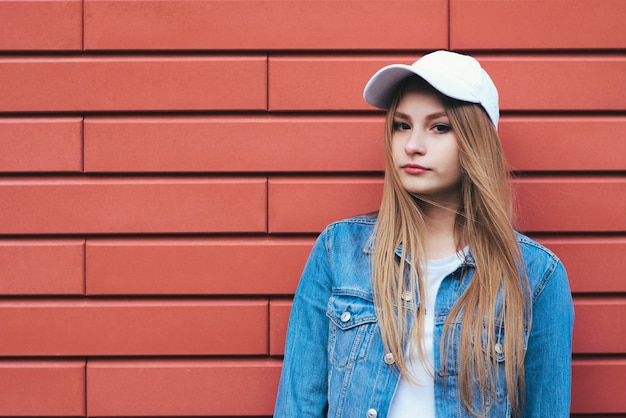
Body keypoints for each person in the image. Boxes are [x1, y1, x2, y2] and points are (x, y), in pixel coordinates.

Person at [274, 50, 574, 418]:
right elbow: (297, 407)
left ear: (476, 141)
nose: (412, 144)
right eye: (402, 125)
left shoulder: (535, 277)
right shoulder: (339, 251)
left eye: (439, 127)